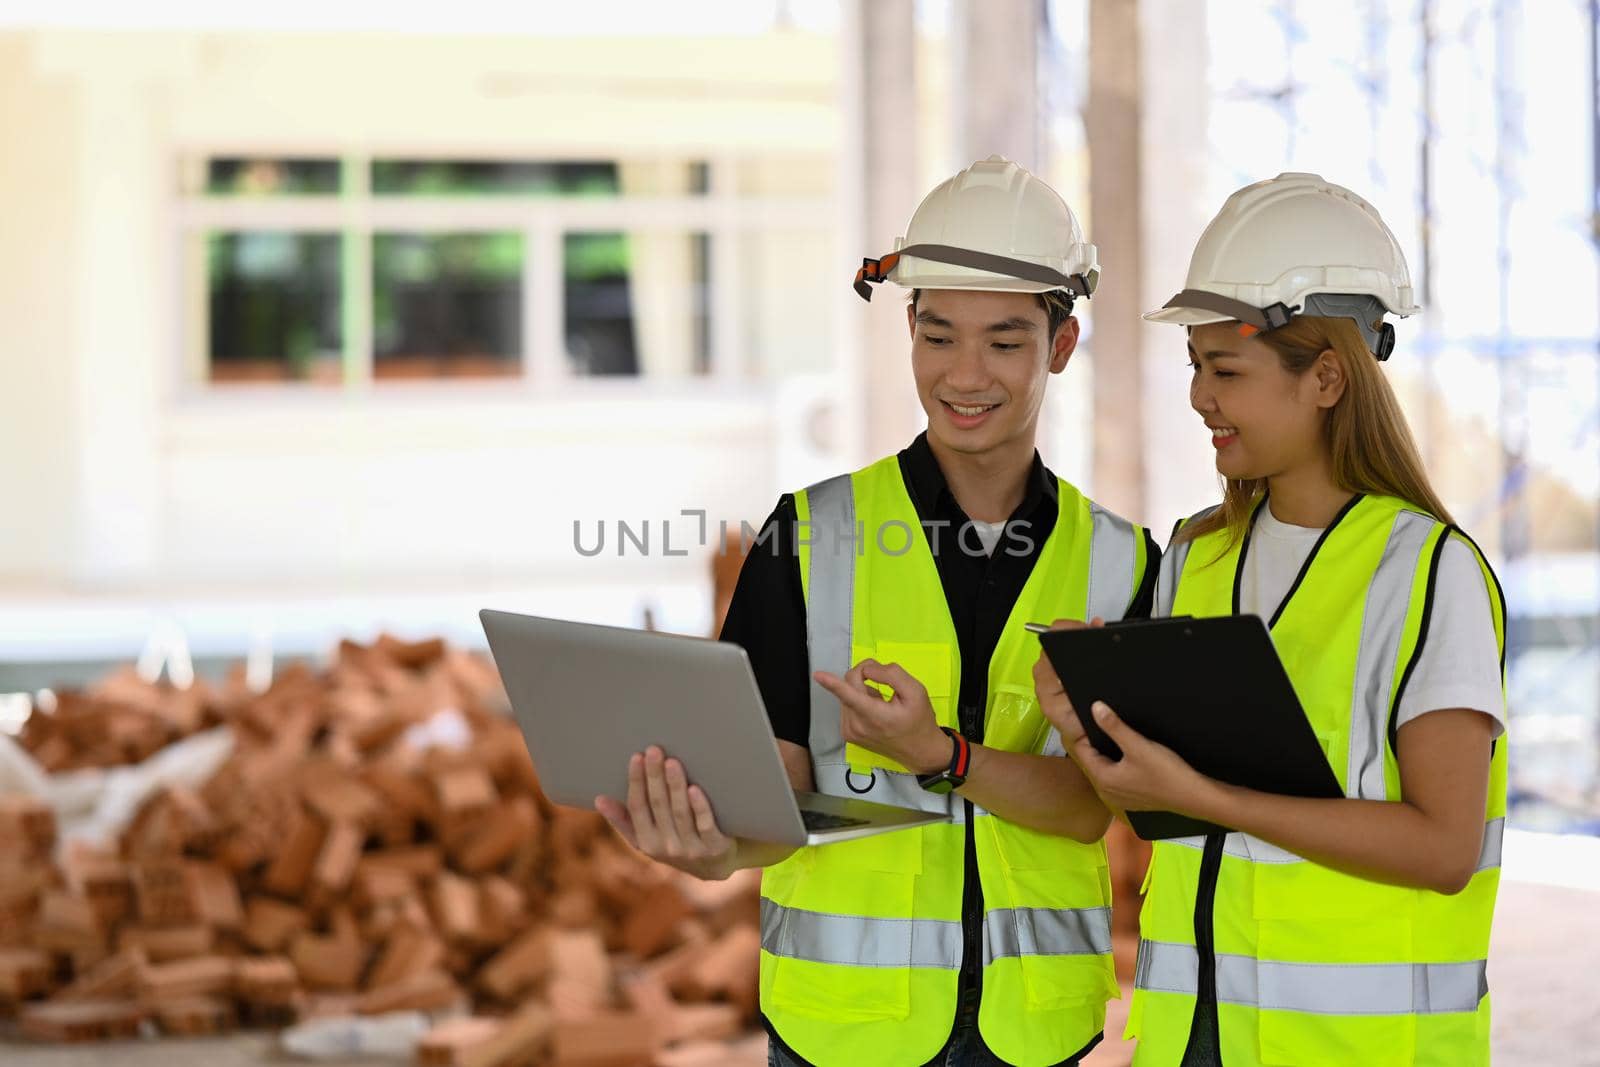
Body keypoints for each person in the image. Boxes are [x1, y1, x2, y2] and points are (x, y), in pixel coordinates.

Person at [595, 155, 1160, 1066]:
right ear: (908, 330)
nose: (965, 374)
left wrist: (943, 757)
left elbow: (1091, 808)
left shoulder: (1122, 563)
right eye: (938, 336)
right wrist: (709, 850)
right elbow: (767, 783)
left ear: (1061, 344)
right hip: (842, 1032)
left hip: (1036, 1030)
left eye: (1005, 341)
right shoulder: (810, 536)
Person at [1035, 173, 1508, 1067]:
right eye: (1195, 367)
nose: (1200, 397)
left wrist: (1210, 797)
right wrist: (1089, 730)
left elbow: (1445, 845)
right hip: (1191, 1044)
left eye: (1227, 370)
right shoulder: (1195, 557)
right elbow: (1158, 811)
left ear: (1327, 375)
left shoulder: (1428, 572)